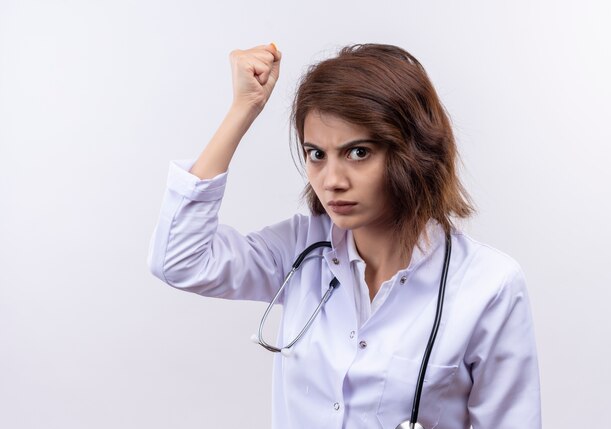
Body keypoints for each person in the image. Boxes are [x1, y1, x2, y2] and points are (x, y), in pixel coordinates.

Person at [147, 42, 541, 429]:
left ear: (413, 152)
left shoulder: (489, 286)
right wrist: (243, 109)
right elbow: (180, 261)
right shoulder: (298, 251)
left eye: (358, 153)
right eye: (316, 154)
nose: (332, 181)